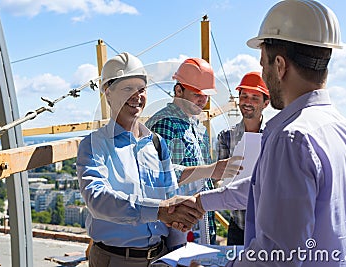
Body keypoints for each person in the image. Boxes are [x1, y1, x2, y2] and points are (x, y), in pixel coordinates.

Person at [189, 0, 346, 266]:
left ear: (280, 65)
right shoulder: (341, 127)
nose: (264, 72)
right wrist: (202, 201)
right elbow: (266, 188)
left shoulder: (292, 139)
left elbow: (275, 256)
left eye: (264, 65)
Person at [76, 52, 204, 267]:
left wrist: (179, 253)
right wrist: (158, 210)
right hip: (114, 259)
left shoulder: (156, 144)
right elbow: (97, 200)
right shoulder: (93, 145)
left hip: (160, 256)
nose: (136, 95)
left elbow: (171, 196)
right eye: (127, 89)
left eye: (141, 89)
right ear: (108, 94)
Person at [145, 58, 219, 246]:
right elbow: (160, 176)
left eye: (206, 95)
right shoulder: (165, 123)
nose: (203, 100)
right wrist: (212, 169)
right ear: (179, 91)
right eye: (197, 94)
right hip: (178, 231)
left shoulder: (196, 125)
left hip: (198, 225)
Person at [216, 71, 269, 246]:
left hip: (268, 228)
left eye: (255, 97)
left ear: (266, 103)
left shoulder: (275, 137)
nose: (247, 102)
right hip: (237, 226)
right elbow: (219, 179)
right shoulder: (226, 137)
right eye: (244, 96)